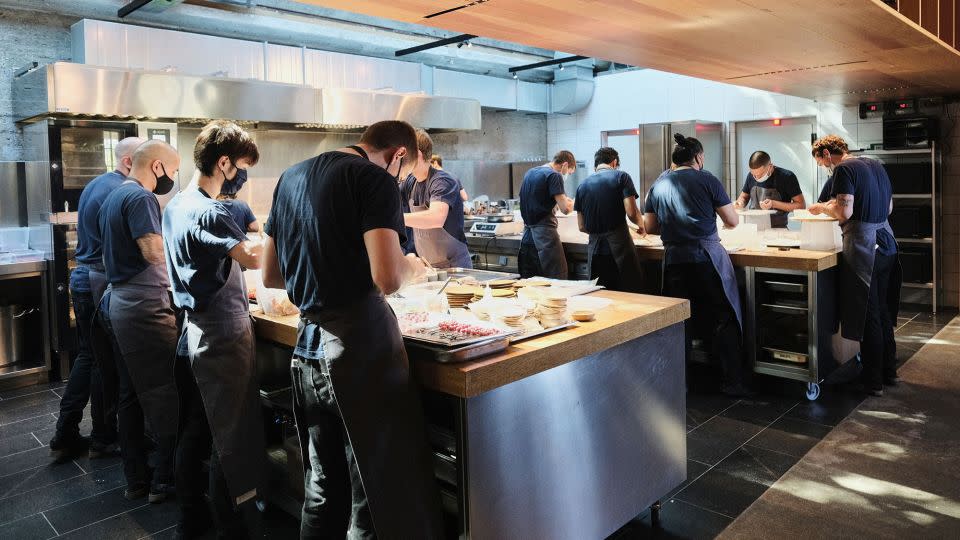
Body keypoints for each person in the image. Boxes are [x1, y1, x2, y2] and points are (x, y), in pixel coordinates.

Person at [261, 120, 443, 539]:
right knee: (373, 488)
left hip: (307, 348)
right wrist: (411, 267)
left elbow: (271, 274)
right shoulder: (373, 179)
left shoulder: (290, 177)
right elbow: (388, 278)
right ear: (398, 155)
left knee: (322, 485)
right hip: (359, 349)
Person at [162, 121, 265, 538]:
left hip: (192, 334)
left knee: (197, 430)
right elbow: (255, 260)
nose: (241, 175)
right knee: (231, 436)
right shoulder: (210, 211)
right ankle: (233, 526)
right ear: (223, 163)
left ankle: (191, 517)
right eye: (240, 166)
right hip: (222, 337)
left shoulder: (175, 205)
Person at [49, 137, 143, 463]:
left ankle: (67, 430)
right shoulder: (121, 191)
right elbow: (124, 246)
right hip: (98, 280)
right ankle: (102, 437)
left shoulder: (98, 184)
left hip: (84, 277)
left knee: (89, 357)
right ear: (131, 160)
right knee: (103, 363)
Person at [98, 140, 180, 501]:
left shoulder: (115, 194)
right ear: (158, 167)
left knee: (130, 395)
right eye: (173, 172)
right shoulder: (142, 198)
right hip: (143, 309)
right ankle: (165, 480)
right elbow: (152, 251)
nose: (173, 179)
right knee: (165, 394)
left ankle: (136, 479)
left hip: (118, 303)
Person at [644, 133, 751, 397]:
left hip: (674, 261)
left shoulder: (657, 185)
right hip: (705, 258)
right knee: (723, 316)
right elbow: (732, 220)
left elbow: (650, 226)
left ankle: (680, 383)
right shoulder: (707, 180)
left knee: (679, 322)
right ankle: (731, 382)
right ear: (699, 157)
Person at [808, 135, 901, 397]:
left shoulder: (844, 169)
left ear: (827, 154)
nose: (825, 167)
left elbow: (844, 212)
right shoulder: (876, 164)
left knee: (868, 312)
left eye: (821, 162)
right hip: (887, 241)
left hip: (864, 245)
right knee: (882, 309)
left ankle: (873, 381)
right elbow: (889, 207)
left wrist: (823, 207)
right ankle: (889, 372)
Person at [574, 147, 645, 292]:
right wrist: (641, 225)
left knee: (600, 294)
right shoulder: (621, 177)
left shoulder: (582, 185)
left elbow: (581, 226)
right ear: (614, 162)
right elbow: (631, 212)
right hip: (619, 250)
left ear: (596, 165)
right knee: (628, 293)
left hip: (595, 252)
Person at [400, 129, 472, 269]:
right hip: (429, 267)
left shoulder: (442, 180)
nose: (400, 159)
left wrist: (394, 218)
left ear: (418, 155)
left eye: (403, 154)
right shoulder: (410, 182)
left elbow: (436, 218)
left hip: (454, 267)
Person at [518, 150, 576, 279]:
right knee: (555, 281)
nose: (567, 175)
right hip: (545, 238)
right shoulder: (554, 175)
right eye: (569, 172)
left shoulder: (530, 172)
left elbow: (535, 199)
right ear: (565, 165)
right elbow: (565, 208)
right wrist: (573, 203)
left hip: (527, 238)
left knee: (531, 282)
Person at [733, 151, 805, 228]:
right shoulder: (751, 176)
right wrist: (740, 203)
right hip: (753, 227)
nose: (756, 178)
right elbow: (744, 196)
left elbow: (801, 206)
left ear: (770, 166)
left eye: (760, 175)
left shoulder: (787, 177)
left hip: (777, 229)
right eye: (754, 174)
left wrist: (774, 204)